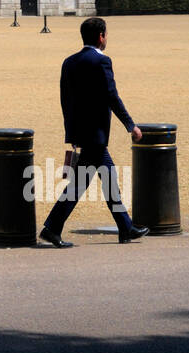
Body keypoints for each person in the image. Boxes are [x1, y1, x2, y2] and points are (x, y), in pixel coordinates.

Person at [39, 17, 149, 248]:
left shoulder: (68, 62)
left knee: (102, 181)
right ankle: (52, 228)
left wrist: (72, 131)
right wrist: (131, 125)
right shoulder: (101, 61)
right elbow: (112, 96)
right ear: (101, 37)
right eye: (106, 35)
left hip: (81, 133)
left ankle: (124, 227)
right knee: (90, 183)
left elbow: (65, 100)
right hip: (96, 134)